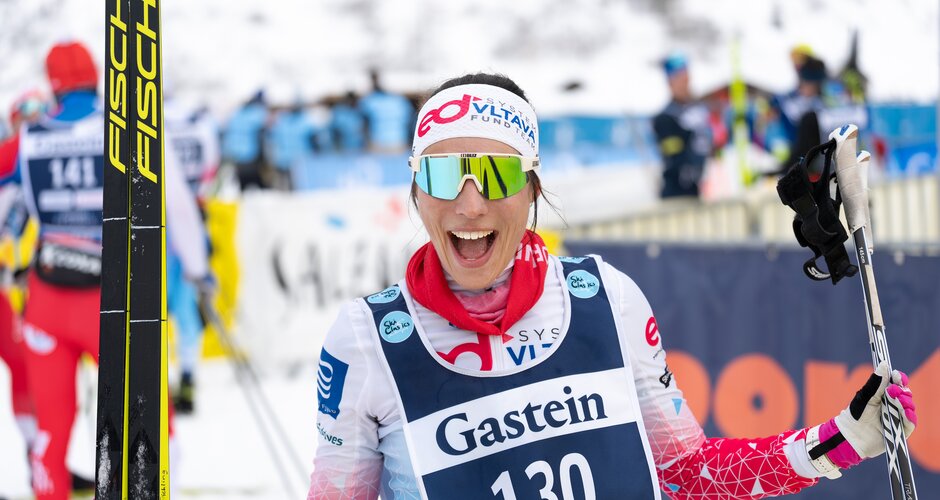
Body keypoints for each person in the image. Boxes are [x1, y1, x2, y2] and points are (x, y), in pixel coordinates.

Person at [307, 73, 918, 499]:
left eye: (495, 175)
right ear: (415, 192)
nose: (469, 204)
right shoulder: (367, 341)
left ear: (532, 189)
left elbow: (686, 474)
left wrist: (839, 441)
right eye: (441, 174)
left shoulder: (604, 298)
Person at [6, 40, 207, 500]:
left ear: (52, 84)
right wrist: (197, 270)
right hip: (114, 302)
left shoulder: (28, 138)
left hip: (47, 302)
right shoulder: (130, 128)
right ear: (98, 76)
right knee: (147, 422)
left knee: (51, 432)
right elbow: (175, 202)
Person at [164, 94, 216, 413]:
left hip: (157, 229)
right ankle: (187, 377)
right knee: (186, 311)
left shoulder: (154, 127)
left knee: (155, 311)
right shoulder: (201, 126)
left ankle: (170, 381)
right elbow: (209, 171)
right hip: (192, 227)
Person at [652, 53, 713, 198]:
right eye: (679, 79)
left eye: (686, 79)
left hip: (701, 189)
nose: (685, 84)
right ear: (670, 83)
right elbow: (674, 157)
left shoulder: (700, 110)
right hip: (677, 193)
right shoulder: (665, 118)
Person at [222, 89, 269, 190]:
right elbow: (262, 136)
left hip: (235, 156)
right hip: (251, 156)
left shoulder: (235, 114)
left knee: (241, 186)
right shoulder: (258, 114)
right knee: (258, 185)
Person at [358, 69, 414, 153]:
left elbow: (362, 123)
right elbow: (410, 121)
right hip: (398, 141)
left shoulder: (369, 100)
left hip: (379, 143)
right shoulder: (399, 100)